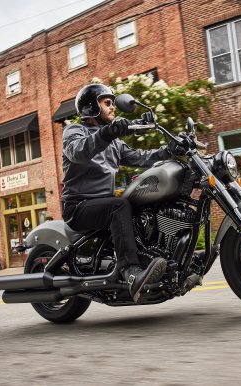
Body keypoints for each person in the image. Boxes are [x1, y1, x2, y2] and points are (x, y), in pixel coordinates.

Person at [61, 83, 175, 302]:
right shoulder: (74, 131)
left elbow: (141, 157)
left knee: (140, 203)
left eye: (113, 103)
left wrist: (169, 150)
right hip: (78, 207)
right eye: (107, 103)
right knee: (119, 206)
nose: (113, 107)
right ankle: (131, 272)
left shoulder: (114, 142)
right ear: (91, 107)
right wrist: (108, 133)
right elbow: (79, 152)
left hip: (103, 205)